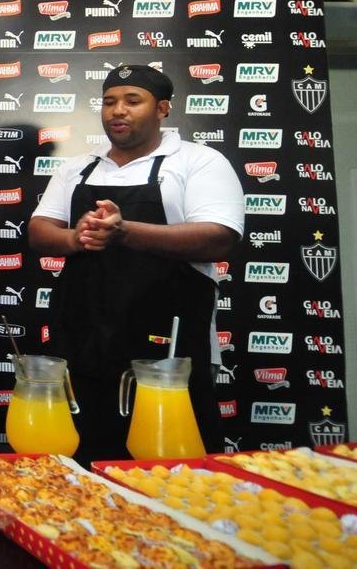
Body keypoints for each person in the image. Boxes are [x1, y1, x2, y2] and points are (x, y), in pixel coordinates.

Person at [28, 64, 243, 462]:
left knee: (169, 470)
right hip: (82, 347)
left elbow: (219, 237)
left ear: (162, 108)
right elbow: (40, 230)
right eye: (109, 102)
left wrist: (125, 231)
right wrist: (75, 238)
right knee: (76, 466)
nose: (117, 111)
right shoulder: (77, 168)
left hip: (167, 359)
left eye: (132, 101)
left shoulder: (197, 162)